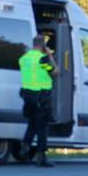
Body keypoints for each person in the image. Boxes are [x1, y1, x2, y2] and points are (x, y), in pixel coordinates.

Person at [19, 34, 55, 167]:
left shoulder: (23, 59)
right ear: (43, 45)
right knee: (42, 127)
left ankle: (25, 149)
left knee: (32, 124)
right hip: (41, 96)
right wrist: (50, 55)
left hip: (27, 96)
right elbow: (55, 72)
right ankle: (41, 157)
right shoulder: (42, 59)